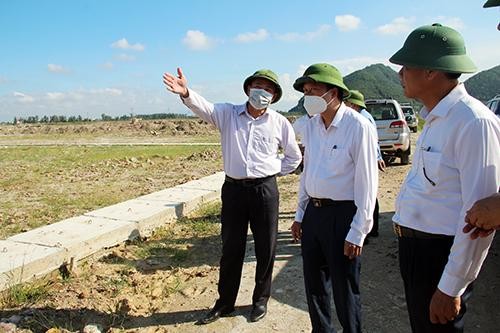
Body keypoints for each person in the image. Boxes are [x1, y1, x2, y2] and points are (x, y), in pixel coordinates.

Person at [163, 68, 302, 324]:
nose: (263, 92)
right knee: (231, 248)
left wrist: (271, 172)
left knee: (265, 248)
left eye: (269, 89)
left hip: (265, 191)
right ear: (249, 89)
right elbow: (204, 108)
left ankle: (260, 301)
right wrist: (186, 93)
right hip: (234, 190)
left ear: (274, 96)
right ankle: (225, 302)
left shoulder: (279, 122)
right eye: (259, 86)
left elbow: (294, 157)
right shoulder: (228, 114)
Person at [389, 23, 500, 332]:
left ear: (431, 72)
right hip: (417, 253)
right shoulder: (436, 119)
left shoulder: (472, 121)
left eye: (406, 66)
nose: (400, 74)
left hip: (440, 255)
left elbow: (480, 219)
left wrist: (451, 286)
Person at [289, 63, 379, 333]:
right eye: (305, 91)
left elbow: (367, 182)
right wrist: (299, 215)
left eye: (314, 89)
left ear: (334, 92)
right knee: (314, 286)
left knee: (344, 289)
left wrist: (358, 231)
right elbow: (308, 174)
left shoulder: (358, 126)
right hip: (314, 215)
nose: (308, 96)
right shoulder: (312, 126)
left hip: (343, 216)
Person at [345, 89, 385, 238]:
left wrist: (377, 157)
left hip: (367, 158)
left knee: (367, 193)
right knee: (369, 193)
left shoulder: (362, 119)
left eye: (347, 103)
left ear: (353, 104)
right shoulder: (365, 116)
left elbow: (372, 142)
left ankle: (368, 230)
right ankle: (372, 229)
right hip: (371, 157)